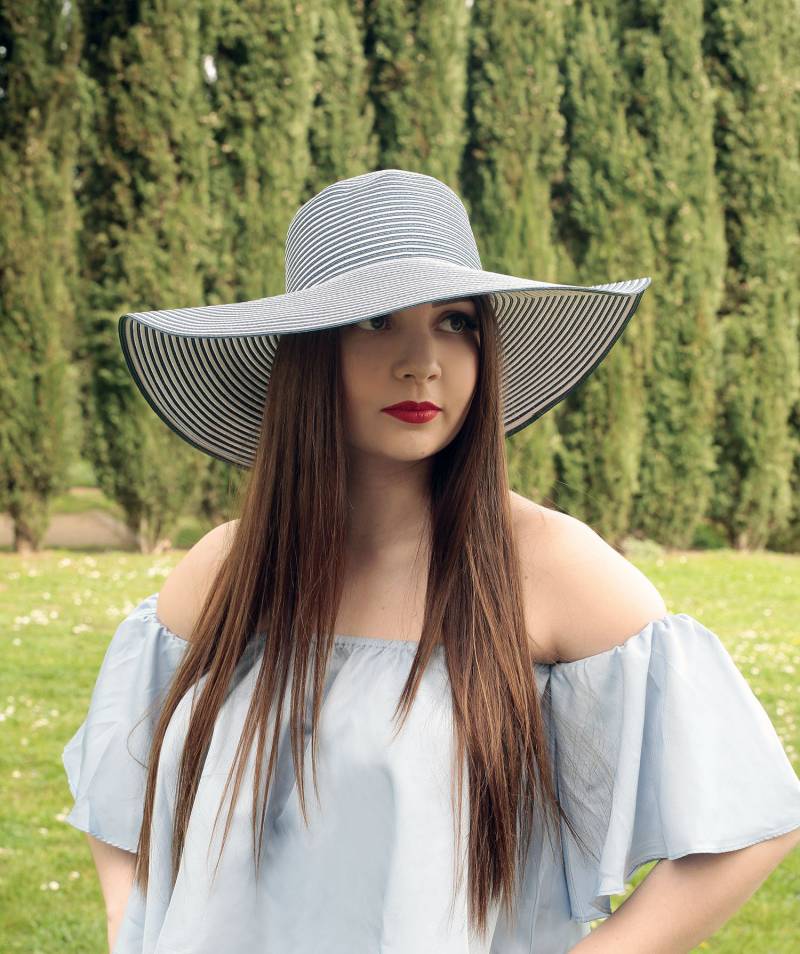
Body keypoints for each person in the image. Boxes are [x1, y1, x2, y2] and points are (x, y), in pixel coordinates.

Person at [62, 169, 800, 953]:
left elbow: (746, 819)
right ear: (311, 355)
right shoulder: (230, 567)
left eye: (455, 323)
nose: (423, 362)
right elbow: (120, 789)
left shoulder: (544, 568)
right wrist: (129, 925)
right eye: (377, 320)